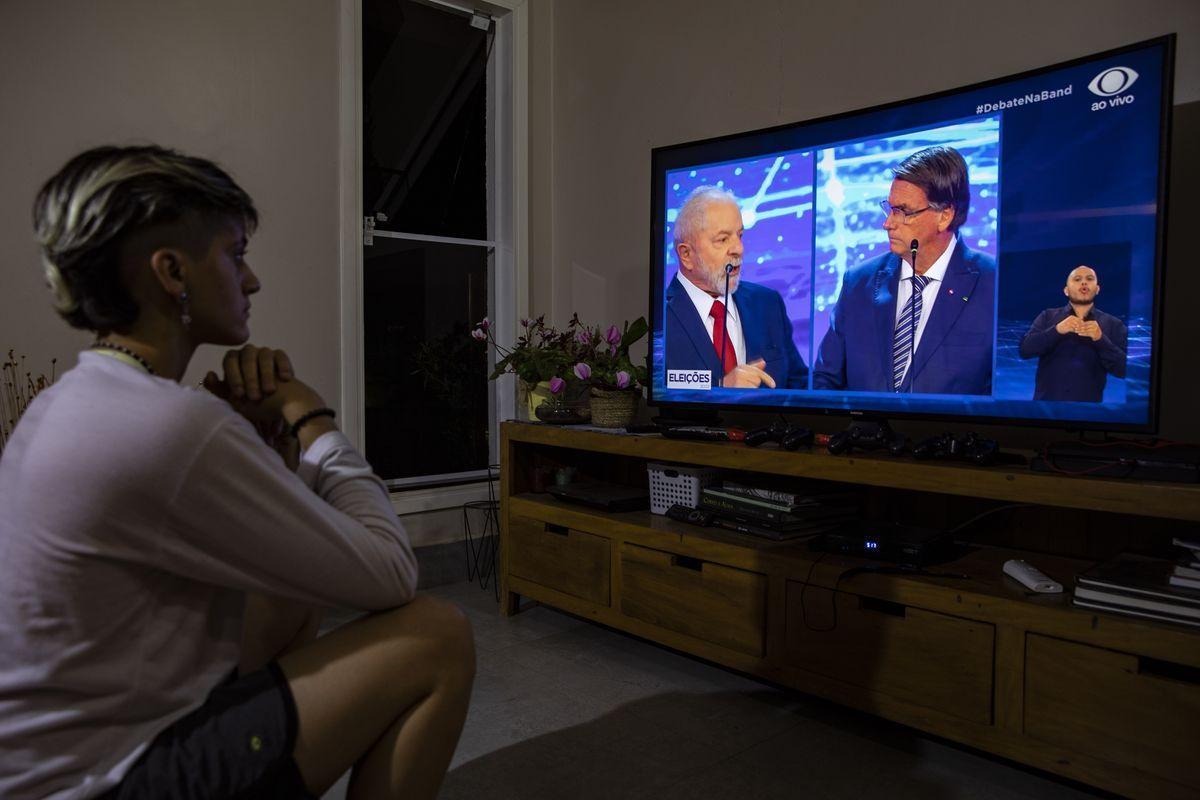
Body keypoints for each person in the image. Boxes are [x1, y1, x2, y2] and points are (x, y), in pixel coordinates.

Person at [0, 146, 475, 799]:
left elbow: (296, 541)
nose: (251, 281)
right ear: (173, 273)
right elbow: (393, 572)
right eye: (234, 253)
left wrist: (264, 441)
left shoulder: (75, 400)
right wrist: (309, 412)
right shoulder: (170, 426)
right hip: (97, 783)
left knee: (288, 590)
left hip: (44, 761)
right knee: (438, 635)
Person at [812, 146, 996, 394]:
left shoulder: (993, 283)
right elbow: (825, 380)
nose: (888, 223)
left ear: (945, 215)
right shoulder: (858, 283)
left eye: (904, 212)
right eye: (889, 209)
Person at [664, 186, 809, 389]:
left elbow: (798, 384)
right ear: (686, 255)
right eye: (723, 239)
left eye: (739, 235)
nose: (738, 249)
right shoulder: (660, 317)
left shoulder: (768, 304)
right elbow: (662, 389)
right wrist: (720, 388)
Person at [1019, 265, 1128, 402]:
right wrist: (1056, 330)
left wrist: (1101, 339)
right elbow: (1025, 350)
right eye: (1077, 279)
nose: (1084, 282)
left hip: (1088, 413)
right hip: (1045, 410)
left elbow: (1123, 370)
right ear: (1066, 291)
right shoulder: (1047, 316)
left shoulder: (1114, 324)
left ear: (1097, 289)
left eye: (1089, 279)